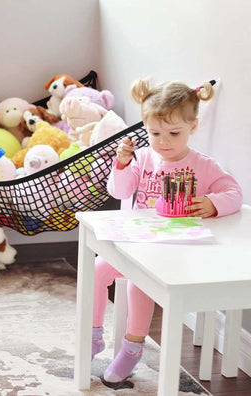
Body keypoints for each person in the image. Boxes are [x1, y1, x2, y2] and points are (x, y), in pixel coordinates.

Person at [92, 78, 243, 383]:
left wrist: (212, 203)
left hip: (173, 251)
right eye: (154, 133)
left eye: (174, 133)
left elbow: (234, 193)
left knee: (139, 285)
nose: (163, 141)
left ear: (193, 127)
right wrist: (122, 164)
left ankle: (131, 350)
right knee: (97, 268)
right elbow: (120, 191)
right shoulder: (145, 157)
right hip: (138, 244)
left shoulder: (202, 165)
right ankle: (93, 334)